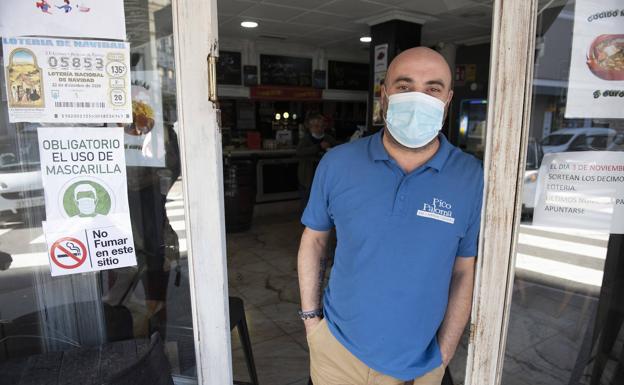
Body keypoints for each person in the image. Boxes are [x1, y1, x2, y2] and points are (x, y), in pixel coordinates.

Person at [297, 47, 484, 385]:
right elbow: (314, 240)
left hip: (420, 363)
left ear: (447, 99)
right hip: (336, 352)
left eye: (432, 89)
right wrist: (312, 322)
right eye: (404, 85)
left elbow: (464, 269)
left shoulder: (471, 176)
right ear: (384, 94)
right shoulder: (338, 163)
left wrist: (445, 352)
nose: (418, 98)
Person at [296, 112, 337, 211]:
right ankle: (306, 222)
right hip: (308, 175)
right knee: (307, 199)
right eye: (316, 126)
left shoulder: (328, 138)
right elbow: (299, 152)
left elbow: (337, 148)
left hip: (324, 175)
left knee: (323, 199)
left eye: (322, 126)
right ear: (310, 127)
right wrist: (318, 147)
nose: (320, 128)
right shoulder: (306, 139)